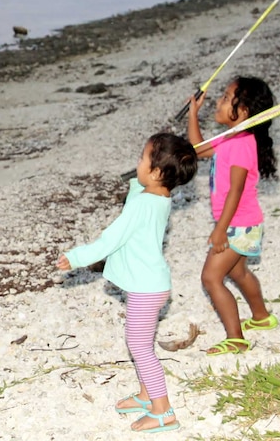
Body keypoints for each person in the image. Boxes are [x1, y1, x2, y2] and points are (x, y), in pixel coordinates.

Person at [56, 133, 198, 433]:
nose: (137, 163)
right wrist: (140, 181)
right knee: (140, 343)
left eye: (142, 159)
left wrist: (77, 257)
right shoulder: (158, 197)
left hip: (147, 289)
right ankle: (148, 396)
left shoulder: (143, 204)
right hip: (151, 284)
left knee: (139, 346)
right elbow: (136, 203)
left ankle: (163, 411)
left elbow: (112, 237)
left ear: (158, 172)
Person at [187, 76, 279, 356]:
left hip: (237, 224)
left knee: (211, 278)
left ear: (244, 112)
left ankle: (236, 338)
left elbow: (235, 191)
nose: (219, 101)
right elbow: (199, 149)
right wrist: (193, 113)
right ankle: (262, 318)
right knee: (238, 271)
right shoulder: (233, 138)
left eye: (227, 98)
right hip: (245, 223)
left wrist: (220, 230)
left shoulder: (241, 144)